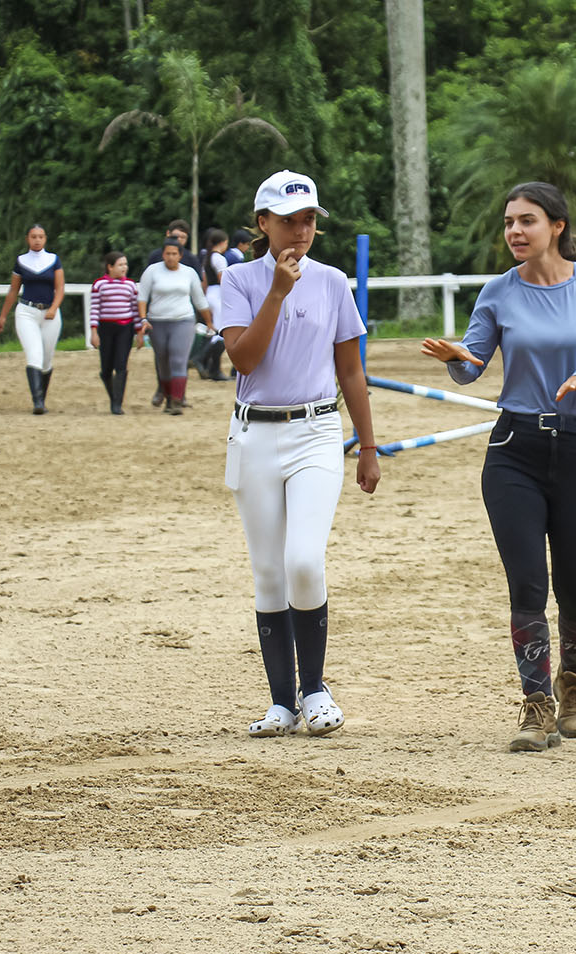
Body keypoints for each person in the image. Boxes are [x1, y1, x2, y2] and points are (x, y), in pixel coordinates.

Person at [420, 181, 576, 753]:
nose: (515, 231)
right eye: (509, 221)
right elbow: (473, 369)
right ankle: (536, 703)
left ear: (556, 226)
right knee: (526, 585)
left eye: (527, 221)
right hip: (513, 447)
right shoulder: (497, 293)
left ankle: (575, 684)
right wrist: (456, 360)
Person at [221, 169, 379, 738]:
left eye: (310, 219)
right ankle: (281, 702)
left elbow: (350, 368)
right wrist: (278, 293)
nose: (302, 230)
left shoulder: (334, 281)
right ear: (263, 223)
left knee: (304, 561)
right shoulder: (238, 280)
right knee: (268, 572)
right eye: (290, 221)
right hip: (255, 434)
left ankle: (315, 688)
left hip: (315, 431)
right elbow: (244, 359)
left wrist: (367, 443)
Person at [0, 224, 64, 414]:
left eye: (40, 236)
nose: (37, 240)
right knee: (34, 354)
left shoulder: (53, 260)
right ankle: (37, 401)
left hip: (50, 313)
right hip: (27, 311)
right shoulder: (21, 261)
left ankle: (42, 397)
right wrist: (3, 316)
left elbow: (60, 289)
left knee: (47, 358)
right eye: (34, 237)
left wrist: (54, 308)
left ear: (45, 238)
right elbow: (14, 290)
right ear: (28, 239)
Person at [137, 239, 213, 415]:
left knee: (178, 360)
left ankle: (178, 400)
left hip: (183, 319)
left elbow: (199, 298)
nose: (170, 257)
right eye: (167, 254)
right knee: (163, 360)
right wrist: (143, 319)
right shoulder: (152, 271)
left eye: (174, 254)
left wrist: (209, 321)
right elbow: (142, 297)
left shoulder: (189, 273)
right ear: (163, 254)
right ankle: (169, 397)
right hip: (157, 321)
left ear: (180, 255)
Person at [88, 252, 142, 414]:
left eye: (125, 264)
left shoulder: (131, 286)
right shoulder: (99, 285)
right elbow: (95, 309)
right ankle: (113, 396)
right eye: (120, 265)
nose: (124, 268)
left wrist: (139, 332)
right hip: (106, 328)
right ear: (110, 267)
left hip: (125, 328)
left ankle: (117, 403)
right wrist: (94, 331)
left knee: (121, 364)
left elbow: (135, 310)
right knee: (106, 368)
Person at [199, 228, 232, 381]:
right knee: (220, 332)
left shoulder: (207, 257)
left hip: (210, 294)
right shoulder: (219, 258)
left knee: (215, 331)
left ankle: (212, 367)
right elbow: (222, 278)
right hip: (218, 293)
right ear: (223, 243)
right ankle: (201, 359)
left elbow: (204, 280)